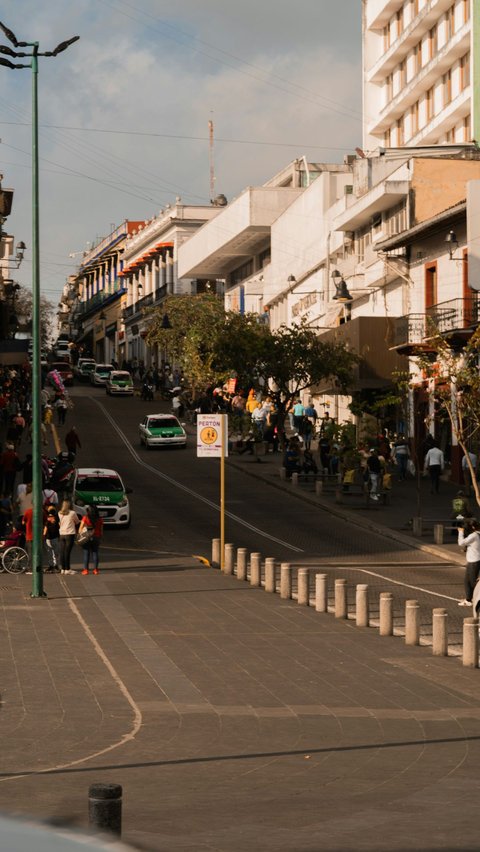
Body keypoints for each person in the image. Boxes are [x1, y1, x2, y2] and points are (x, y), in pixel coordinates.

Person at [458, 520, 480, 606]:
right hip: (474, 560)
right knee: (467, 581)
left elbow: (461, 543)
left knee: (472, 582)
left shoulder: (473, 535)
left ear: (473, 527)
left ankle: (476, 599)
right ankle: (468, 600)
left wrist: (461, 532)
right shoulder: (478, 534)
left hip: (473, 561)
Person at [78, 504, 103, 575]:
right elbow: (101, 530)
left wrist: (81, 535)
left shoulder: (85, 518)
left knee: (86, 553)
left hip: (87, 538)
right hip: (96, 537)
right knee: (95, 553)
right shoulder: (100, 519)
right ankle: (96, 570)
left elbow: (80, 529)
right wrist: (100, 537)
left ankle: (85, 570)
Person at [58, 499, 80, 575]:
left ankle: (63, 569)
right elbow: (77, 521)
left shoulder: (59, 513)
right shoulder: (72, 513)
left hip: (61, 534)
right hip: (70, 534)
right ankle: (68, 569)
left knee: (62, 552)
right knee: (67, 552)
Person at [43, 506, 60, 573]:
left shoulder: (47, 518)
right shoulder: (56, 518)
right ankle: (56, 565)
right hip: (55, 537)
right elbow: (59, 526)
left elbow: (45, 528)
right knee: (55, 552)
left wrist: (43, 535)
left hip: (48, 538)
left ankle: (51, 565)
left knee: (49, 552)